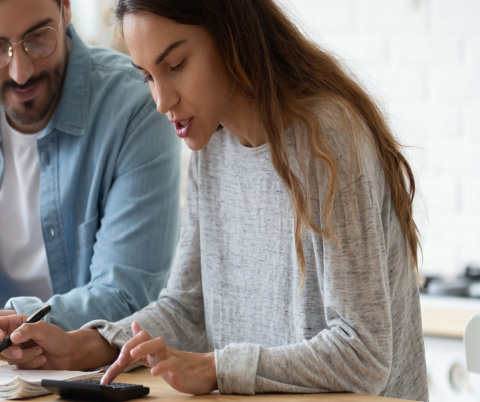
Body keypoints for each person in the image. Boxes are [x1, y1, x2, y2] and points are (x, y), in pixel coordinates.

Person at [0, 0, 428, 400]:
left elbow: (364, 355)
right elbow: (187, 309)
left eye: (176, 65)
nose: (162, 101)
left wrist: (217, 369)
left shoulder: (325, 139)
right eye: (148, 76)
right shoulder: (212, 150)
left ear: (231, 36)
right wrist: (84, 346)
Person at [0, 0, 181, 330]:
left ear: (66, 10)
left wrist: (16, 323)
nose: (20, 72)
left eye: (38, 37)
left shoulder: (137, 107)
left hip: (92, 375)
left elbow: (127, 296)